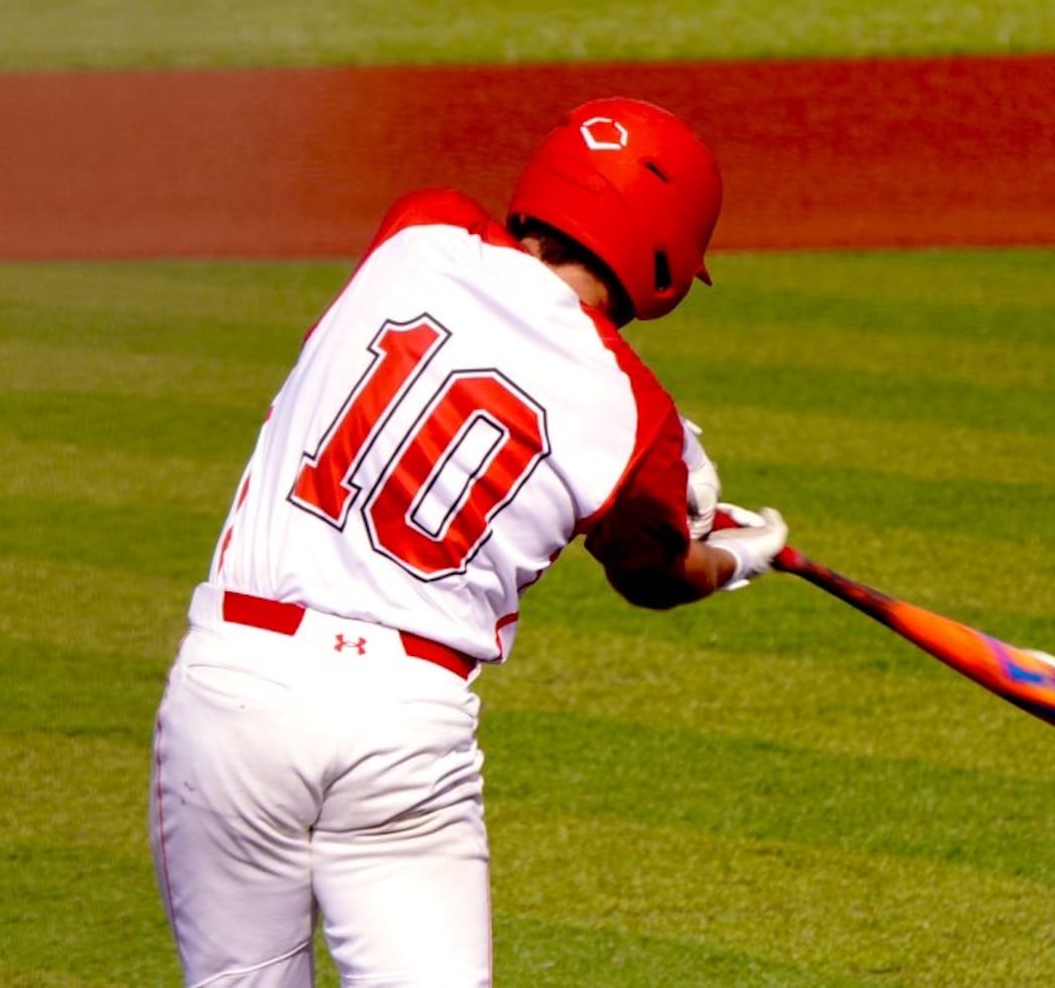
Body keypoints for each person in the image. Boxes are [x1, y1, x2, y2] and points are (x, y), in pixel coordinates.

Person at [147, 96, 789, 986]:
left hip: (235, 685)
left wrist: (664, 473)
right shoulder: (633, 413)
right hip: (401, 721)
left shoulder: (421, 229)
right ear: (666, 256)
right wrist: (727, 555)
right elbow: (652, 572)